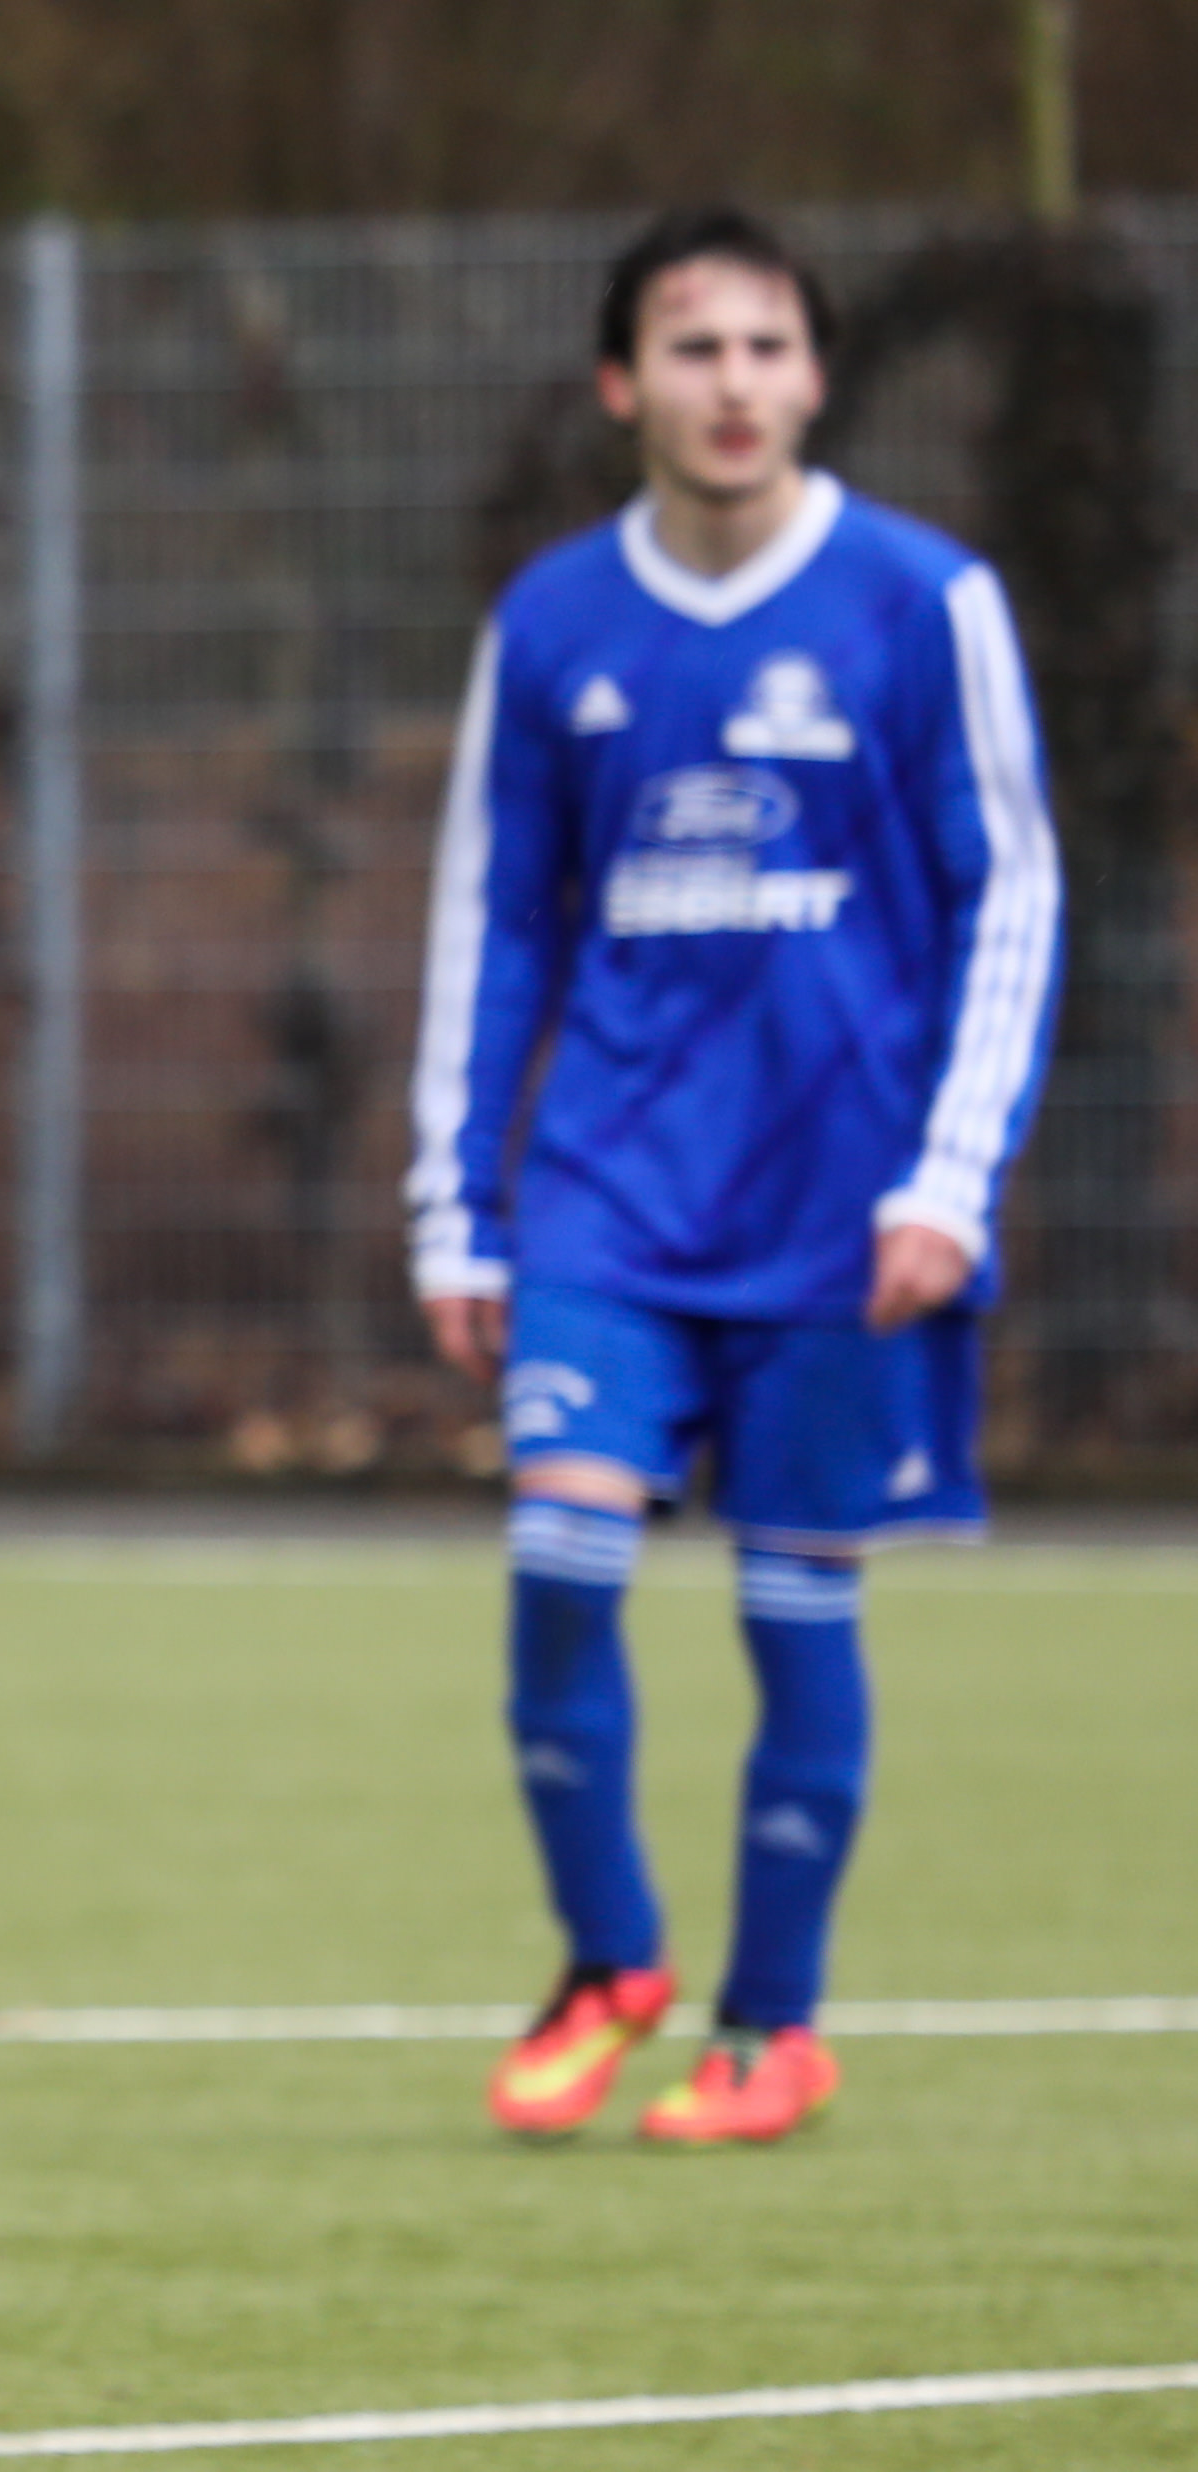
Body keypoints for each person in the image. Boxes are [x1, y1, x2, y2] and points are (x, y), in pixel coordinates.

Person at [413, 205, 1057, 2147]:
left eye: (769, 346)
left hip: (840, 1210)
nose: (734, 384)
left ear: (818, 376)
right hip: (605, 1191)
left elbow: (1010, 899)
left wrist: (951, 1175)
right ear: (622, 383)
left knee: (795, 1610)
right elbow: (492, 922)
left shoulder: (921, 602)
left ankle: (772, 2023)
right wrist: (455, 1199)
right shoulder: (551, 623)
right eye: (693, 348)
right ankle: (607, 1956)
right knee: (558, 1561)